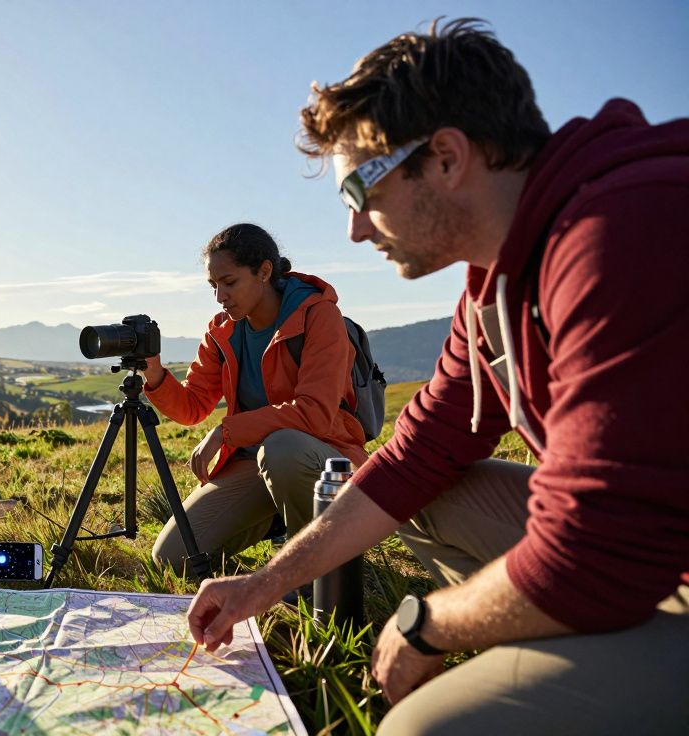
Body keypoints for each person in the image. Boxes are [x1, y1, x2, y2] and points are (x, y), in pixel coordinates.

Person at [185, 19, 689, 734]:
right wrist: (262, 587)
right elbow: (409, 463)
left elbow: (596, 552)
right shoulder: (495, 287)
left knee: (420, 728)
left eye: (360, 191)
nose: (356, 230)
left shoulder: (624, 233)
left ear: (447, 157)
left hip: (633, 564)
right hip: (639, 556)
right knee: (424, 490)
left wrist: (429, 624)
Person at [142, 223, 367, 572]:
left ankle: (316, 566)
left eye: (229, 282)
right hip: (253, 465)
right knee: (173, 558)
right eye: (213, 285)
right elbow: (192, 407)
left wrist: (226, 431)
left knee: (282, 447)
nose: (220, 296)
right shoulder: (222, 330)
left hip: (324, 458)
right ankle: (277, 517)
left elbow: (315, 414)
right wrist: (154, 374)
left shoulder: (319, 315)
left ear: (264, 271)